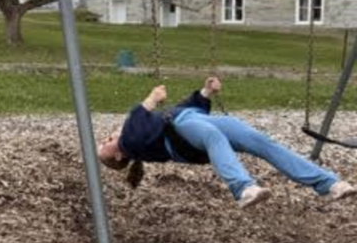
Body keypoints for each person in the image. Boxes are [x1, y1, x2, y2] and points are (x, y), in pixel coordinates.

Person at [97, 76, 354, 208]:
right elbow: (136, 119)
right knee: (213, 136)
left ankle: (329, 184)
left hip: (191, 118)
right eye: (105, 145)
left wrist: (205, 93)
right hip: (184, 132)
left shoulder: (136, 136)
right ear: (119, 156)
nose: (107, 138)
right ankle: (243, 189)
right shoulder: (131, 143)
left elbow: (178, 109)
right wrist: (152, 98)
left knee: (261, 142)